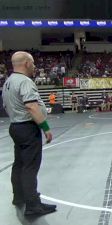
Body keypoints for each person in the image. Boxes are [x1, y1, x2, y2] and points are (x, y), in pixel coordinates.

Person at [1, 51, 56, 216]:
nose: (34, 66)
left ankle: (18, 197)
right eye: (32, 63)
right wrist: (45, 127)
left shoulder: (8, 82)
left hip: (15, 126)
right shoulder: (24, 81)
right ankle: (33, 205)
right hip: (27, 127)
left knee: (19, 164)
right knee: (30, 167)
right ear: (26, 63)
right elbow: (31, 106)